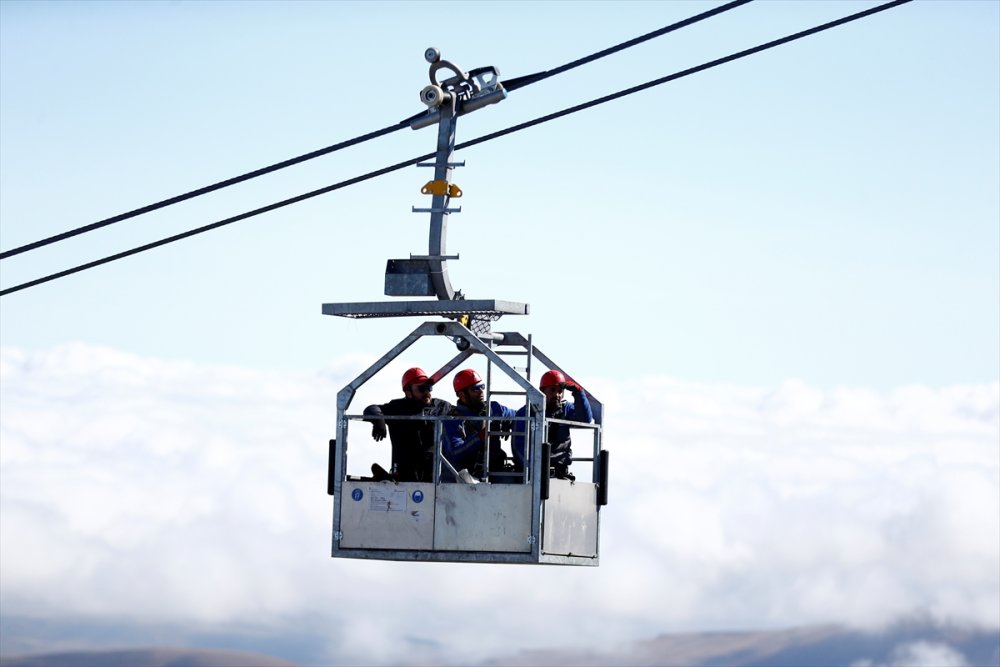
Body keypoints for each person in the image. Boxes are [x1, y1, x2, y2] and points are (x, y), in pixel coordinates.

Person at [363, 367, 452, 482]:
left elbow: (462, 413)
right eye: (421, 389)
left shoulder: (442, 406)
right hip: (405, 473)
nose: (427, 392)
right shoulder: (398, 407)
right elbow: (371, 409)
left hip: (434, 473)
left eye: (429, 387)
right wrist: (378, 420)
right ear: (408, 392)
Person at [513, 369, 593, 481]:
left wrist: (579, 393)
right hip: (532, 475)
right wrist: (533, 470)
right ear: (542, 391)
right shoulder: (526, 413)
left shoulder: (566, 409)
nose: (557, 395)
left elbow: (585, 419)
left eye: (560, 391)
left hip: (560, 474)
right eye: (552, 390)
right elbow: (518, 446)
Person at [441, 369, 517, 482]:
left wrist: (511, 422)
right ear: (462, 394)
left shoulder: (494, 409)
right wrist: (480, 437)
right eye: (475, 389)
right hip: (468, 476)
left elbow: (520, 415)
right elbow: (454, 453)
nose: (481, 391)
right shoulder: (452, 420)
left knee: (514, 483)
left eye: (482, 386)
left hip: (495, 470)